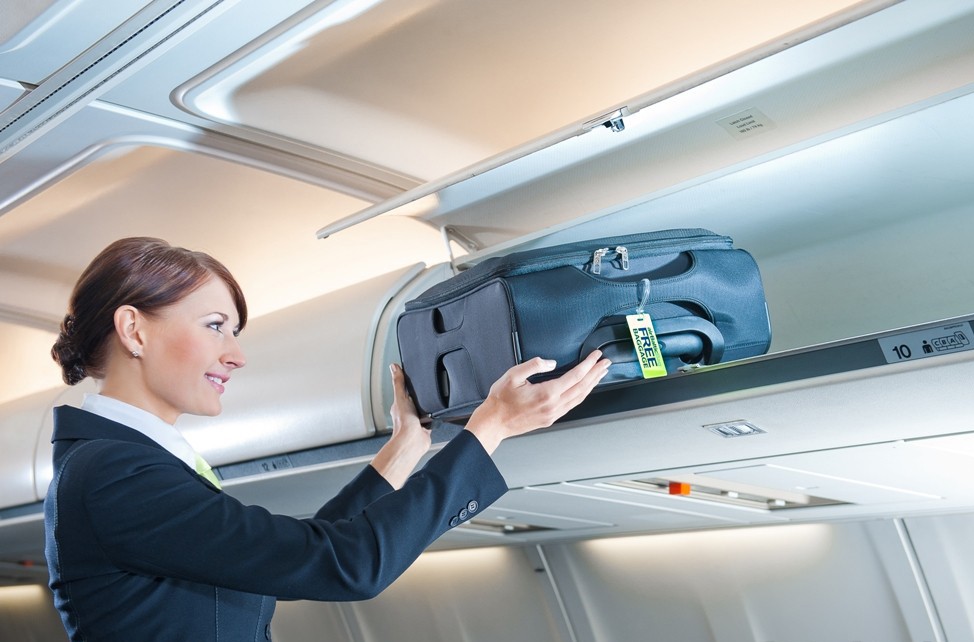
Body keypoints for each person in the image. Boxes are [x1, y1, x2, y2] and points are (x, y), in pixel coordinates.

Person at [45, 237, 610, 641]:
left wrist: (405, 446)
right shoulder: (113, 475)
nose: (236, 355)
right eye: (215, 326)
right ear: (134, 330)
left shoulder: (122, 465)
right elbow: (345, 564)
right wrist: (493, 426)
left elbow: (298, 557)